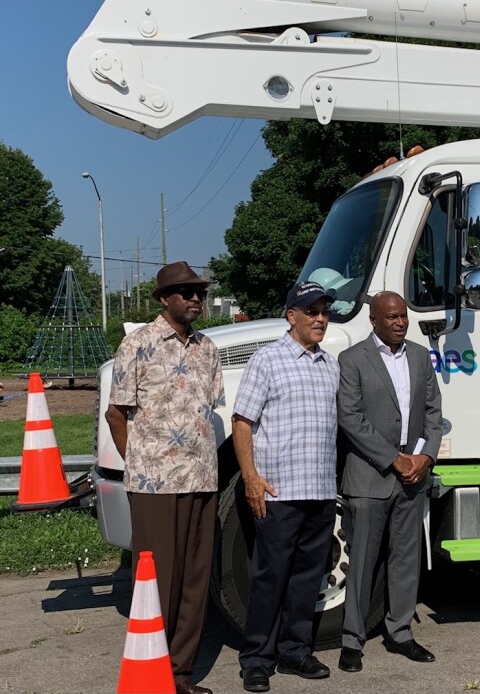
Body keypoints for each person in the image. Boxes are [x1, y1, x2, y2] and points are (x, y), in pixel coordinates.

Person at [105, 262, 223, 694]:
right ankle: (152, 669)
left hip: (201, 478)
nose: (194, 298)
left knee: (195, 577)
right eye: (184, 291)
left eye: (199, 292)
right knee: (157, 579)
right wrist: (138, 462)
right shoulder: (137, 344)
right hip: (154, 483)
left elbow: (205, 411)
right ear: (163, 299)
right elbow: (116, 413)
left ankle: (180, 672)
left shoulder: (208, 349)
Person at [231, 281, 340, 692]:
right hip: (279, 493)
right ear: (291, 316)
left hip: (320, 491)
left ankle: (296, 651)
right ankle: (257, 658)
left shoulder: (331, 365)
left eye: (324, 311)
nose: (320, 318)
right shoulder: (268, 360)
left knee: (308, 578)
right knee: (269, 576)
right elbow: (242, 422)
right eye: (311, 311)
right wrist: (251, 478)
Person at [336, 291, 443, 673]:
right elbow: (350, 418)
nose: (400, 322)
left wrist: (425, 457)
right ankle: (352, 640)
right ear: (374, 320)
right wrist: (392, 458)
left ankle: (400, 633)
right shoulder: (352, 360)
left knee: (405, 559)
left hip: (413, 475)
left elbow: (434, 411)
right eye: (392, 317)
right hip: (370, 474)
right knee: (362, 561)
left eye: (404, 316)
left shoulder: (418, 357)